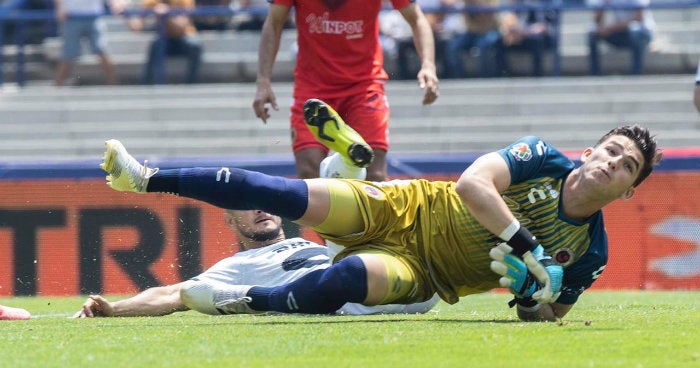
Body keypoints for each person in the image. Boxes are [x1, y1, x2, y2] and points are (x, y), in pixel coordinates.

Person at [99, 98, 662, 322]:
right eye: (611, 150)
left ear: (630, 190)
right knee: (282, 193)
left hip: (427, 275)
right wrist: (528, 248)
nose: (613, 163)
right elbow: (472, 184)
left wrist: (532, 294)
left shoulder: (593, 253)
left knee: (343, 276)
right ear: (590, 152)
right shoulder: (542, 157)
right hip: (406, 206)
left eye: (628, 165)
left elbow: (545, 317)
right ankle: (144, 177)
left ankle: (244, 302)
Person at [74, 204, 439, 317]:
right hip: (349, 301)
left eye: (263, 202)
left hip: (394, 285)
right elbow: (178, 292)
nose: (260, 209)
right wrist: (116, 310)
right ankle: (342, 170)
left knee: (428, 276)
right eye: (247, 207)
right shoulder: (239, 264)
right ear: (230, 222)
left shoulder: (305, 242)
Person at [252, 0, 440, 182]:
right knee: (309, 170)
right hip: (312, 86)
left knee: (374, 175)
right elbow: (274, 23)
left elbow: (417, 19)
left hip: (364, 86)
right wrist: (263, 81)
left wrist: (428, 66)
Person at [128, 0, 203, 84]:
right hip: (164, 39)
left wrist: (166, 15)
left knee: (195, 46)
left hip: (183, 37)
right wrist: (125, 12)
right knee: (155, 46)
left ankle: (191, 86)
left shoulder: (184, 1)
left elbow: (180, 29)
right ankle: (147, 87)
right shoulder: (151, 2)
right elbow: (136, 28)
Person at [53, 0, 120, 86]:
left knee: (101, 49)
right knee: (68, 54)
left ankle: (114, 85)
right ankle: (58, 86)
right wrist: (59, 8)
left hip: (94, 16)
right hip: (72, 16)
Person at [586, 0, 655, 76]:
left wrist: (610, 29)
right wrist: (603, 5)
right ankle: (595, 74)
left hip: (643, 34)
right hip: (622, 34)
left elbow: (638, 18)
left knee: (635, 31)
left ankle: (636, 74)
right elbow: (597, 21)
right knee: (593, 34)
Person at [443, 0, 505, 78]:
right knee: (453, 45)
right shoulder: (467, 2)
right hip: (472, 32)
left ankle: (486, 78)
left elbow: (491, 18)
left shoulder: (492, 1)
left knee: (484, 45)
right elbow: (468, 23)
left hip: (490, 30)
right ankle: (458, 78)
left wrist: (480, 7)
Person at [499, 0, 557, 77]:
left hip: (539, 38)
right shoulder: (517, 5)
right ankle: (504, 75)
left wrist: (541, 28)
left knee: (538, 41)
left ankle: (537, 77)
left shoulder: (545, 3)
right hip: (520, 37)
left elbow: (550, 25)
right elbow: (508, 22)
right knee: (498, 42)